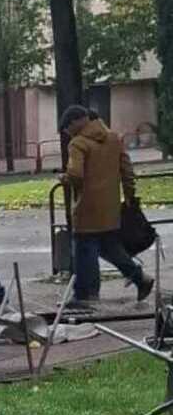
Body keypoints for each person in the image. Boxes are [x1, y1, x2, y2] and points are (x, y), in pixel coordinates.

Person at [59, 105, 154, 306]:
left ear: (76, 121)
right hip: (110, 209)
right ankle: (140, 278)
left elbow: (76, 175)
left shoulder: (78, 143)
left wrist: (64, 178)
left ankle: (86, 295)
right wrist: (129, 198)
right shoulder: (114, 138)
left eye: (67, 128)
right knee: (111, 248)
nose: (68, 133)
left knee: (84, 252)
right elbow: (127, 171)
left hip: (86, 210)